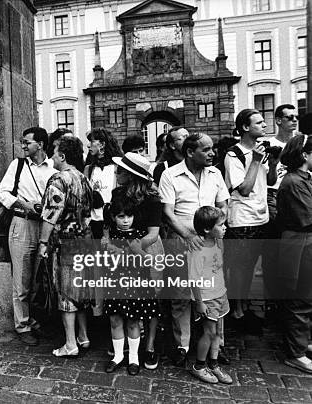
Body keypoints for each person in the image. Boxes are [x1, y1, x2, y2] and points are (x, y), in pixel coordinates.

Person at [158, 133, 230, 367]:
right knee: (181, 295)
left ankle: (215, 345)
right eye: (206, 150)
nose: (212, 153)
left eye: (212, 149)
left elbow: (223, 205)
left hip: (210, 242)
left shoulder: (216, 173)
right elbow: (168, 213)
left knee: (213, 291)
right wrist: (188, 236)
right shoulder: (170, 175)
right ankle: (183, 345)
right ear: (190, 152)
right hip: (181, 241)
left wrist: (213, 229)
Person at [101, 152, 162, 374]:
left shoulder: (152, 199)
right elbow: (109, 225)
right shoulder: (117, 193)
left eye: (120, 171)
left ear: (132, 175)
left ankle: (147, 348)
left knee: (145, 306)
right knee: (117, 311)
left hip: (144, 250)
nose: (116, 173)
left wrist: (130, 250)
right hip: (117, 258)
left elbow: (153, 233)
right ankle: (120, 352)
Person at [0, 127, 57, 345]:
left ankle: (33, 320)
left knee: (40, 279)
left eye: (27, 142)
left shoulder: (53, 168)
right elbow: (1, 193)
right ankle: (22, 326)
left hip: (45, 227)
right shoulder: (18, 165)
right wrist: (24, 204)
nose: (23, 145)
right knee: (21, 280)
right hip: (21, 224)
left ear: (40, 144)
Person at [38, 136, 93, 357]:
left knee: (66, 292)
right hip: (85, 240)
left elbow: (51, 214)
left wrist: (43, 242)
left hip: (64, 243)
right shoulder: (83, 178)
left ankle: (70, 344)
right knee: (81, 289)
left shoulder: (58, 180)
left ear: (62, 156)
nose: (52, 156)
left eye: (55, 153)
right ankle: (83, 336)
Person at [224, 109, 277, 322]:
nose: (265, 125)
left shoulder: (260, 151)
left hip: (261, 217)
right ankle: (237, 310)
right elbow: (244, 189)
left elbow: (270, 181)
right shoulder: (233, 154)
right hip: (242, 220)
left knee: (250, 268)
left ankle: (244, 305)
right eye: (260, 122)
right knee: (240, 268)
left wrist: (271, 164)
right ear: (245, 127)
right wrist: (255, 160)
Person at [276, 134, 312, 374]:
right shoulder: (293, 182)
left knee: (307, 298)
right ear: (304, 155)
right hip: (300, 244)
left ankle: (302, 343)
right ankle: (296, 352)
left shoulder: (302, 179)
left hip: (305, 243)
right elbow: (307, 218)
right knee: (299, 300)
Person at [188, 206, 233, 384]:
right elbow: (193, 279)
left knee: (217, 333)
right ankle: (199, 366)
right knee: (209, 332)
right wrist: (199, 302)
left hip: (220, 294)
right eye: (221, 225)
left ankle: (213, 364)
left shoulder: (217, 242)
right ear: (207, 229)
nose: (224, 228)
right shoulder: (197, 251)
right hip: (207, 297)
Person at [262, 104, 298, 301]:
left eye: (295, 117)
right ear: (278, 121)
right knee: (275, 247)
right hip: (275, 196)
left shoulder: (302, 143)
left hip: (298, 197)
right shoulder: (270, 144)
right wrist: (275, 164)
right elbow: (269, 178)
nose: (294, 120)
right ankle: (273, 297)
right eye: (289, 117)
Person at [83, 128, 122, 239]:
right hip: (94, 223)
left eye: (92, 142)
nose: (88, 145)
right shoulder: (89, 169)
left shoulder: (117, 167)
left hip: (113, 222)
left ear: (102, 144)